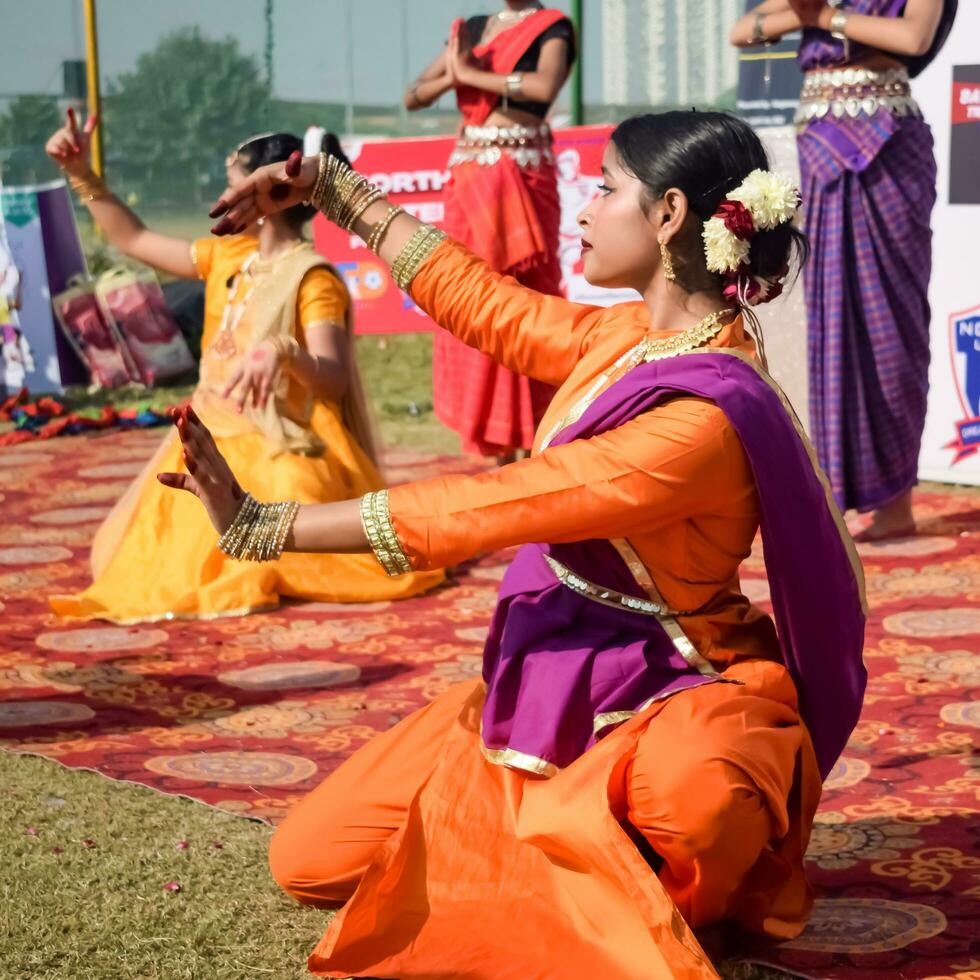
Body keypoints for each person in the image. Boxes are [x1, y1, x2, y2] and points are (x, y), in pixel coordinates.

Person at [165, 111, 867, 977]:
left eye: (606, 189)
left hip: (674, 682)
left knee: (698, 805)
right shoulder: (624, 339)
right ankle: (559, 845)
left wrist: (267, 525)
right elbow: (484, 303)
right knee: (307, 861)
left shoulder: (700, 422)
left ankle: (619, 874)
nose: (582, 207)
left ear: (671, 213)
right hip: (553, 665)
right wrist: (337, 194)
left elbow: (495, 503)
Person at [45, 112, 443, 623]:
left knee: (273, 537)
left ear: (268, 193)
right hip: (209, 431)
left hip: (279, 439)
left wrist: (284, 350)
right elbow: (134, 239)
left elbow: (334, 377)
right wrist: (81, 172)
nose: (226, 191)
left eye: (235, 181)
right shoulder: (227, 255)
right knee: (137, 557)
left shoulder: (310, 276)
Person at [731, 0, 957, 541]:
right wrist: (806, 13)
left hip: (887, 146)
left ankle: (896, 503)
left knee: (889, 324)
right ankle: (841, 493)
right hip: (822, 150)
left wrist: (823, 17)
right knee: (833, 321)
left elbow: (913, 37)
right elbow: (745, 30)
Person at [404, 0, 575, 463]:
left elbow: (542, 88)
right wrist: (453, 73)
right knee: (473, 295)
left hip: (524, 174)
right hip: (471, 180)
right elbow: (414, 95)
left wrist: (469, 75)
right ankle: (496, 441)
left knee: (526, 297)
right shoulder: (474, 28)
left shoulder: (552, 27)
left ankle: (536, 437)